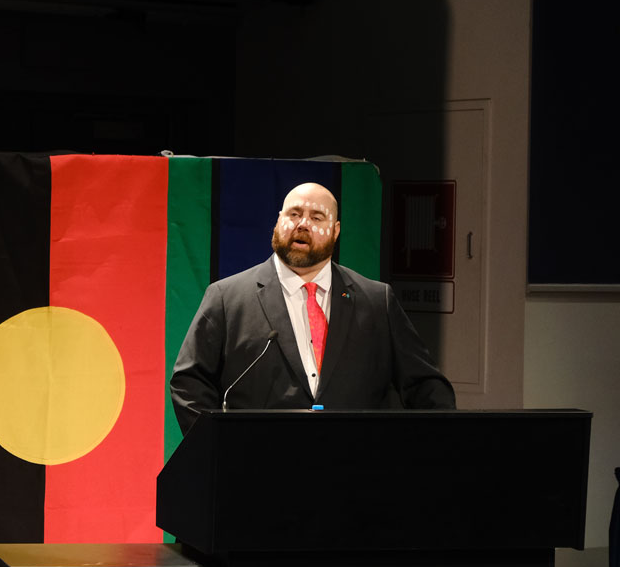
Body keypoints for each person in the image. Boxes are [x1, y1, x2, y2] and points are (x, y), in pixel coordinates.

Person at [170, 181, 455, 434]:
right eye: (293, 214)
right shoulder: (227, 297)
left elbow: (427, 387)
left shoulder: (377, 301)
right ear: (278, 220)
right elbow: (189, 384)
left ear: (336, 230)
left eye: (316, 217)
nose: (302, 224)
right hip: (257, 472)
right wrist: (220, 448)